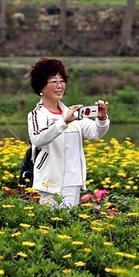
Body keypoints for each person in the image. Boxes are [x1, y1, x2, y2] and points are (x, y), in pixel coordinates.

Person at [26, 58, 109, 208]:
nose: (59, 86)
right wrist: (63, 122)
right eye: (54, 82)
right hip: (49, 183)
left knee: (68, 225)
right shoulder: (37, 114)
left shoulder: (71, 112)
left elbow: (95, 132)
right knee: (51, 226)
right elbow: (38, 139)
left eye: (62, 81)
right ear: (41, 86)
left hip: (73, 181)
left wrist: (102, 119)